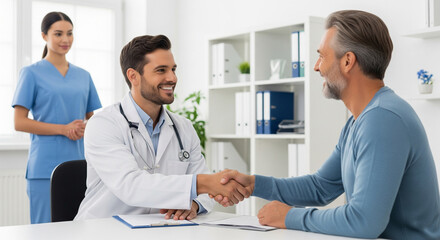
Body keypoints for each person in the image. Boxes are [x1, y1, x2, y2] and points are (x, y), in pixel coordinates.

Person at [213, 10, 440, 239]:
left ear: (348, 61)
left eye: (322, 56)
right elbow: (320, 186)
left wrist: (288, 216)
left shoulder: (382, 119)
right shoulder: (360, 120)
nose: (316, 67)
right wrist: (253, 184)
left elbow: (364, 221)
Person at [75, 35, 249, 221]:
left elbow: (205, 188)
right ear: (133, 76)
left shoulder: (183, 128)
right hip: (104, 228)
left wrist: (195, 204)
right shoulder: (104, 124)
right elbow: (131, 186)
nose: (172, 78)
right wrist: (205, 183)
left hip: (161, 228)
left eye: (173, 69)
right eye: (161, 70)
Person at [12, 12, 102, 224]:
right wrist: (63, 129)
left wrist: (84, 127)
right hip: (43, 168)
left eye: (70, 34)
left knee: (77, 228)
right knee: (45, 230)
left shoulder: (84, 75)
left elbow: (94, 120)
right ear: (44, 36)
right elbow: (19, 122)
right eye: (58, 34)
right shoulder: (31, 73)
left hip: (79, 166)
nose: (65, 39)